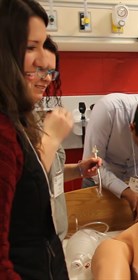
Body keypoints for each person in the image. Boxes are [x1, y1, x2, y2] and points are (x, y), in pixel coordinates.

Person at [0, 0, 68, 278]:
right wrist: (50, 140)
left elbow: (24, 184)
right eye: (30, 47)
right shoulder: (5, 133)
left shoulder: (19, 120)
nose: (43, 70)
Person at [27, 36, 102, 240]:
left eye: (51, 72)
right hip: (30, 244)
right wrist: (51, 137)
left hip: (54, 237)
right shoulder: (12, 127)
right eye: (40, 69)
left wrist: (78, 170)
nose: (47, 78)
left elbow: (51, 175)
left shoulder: (36, 117)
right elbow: (26, 183)